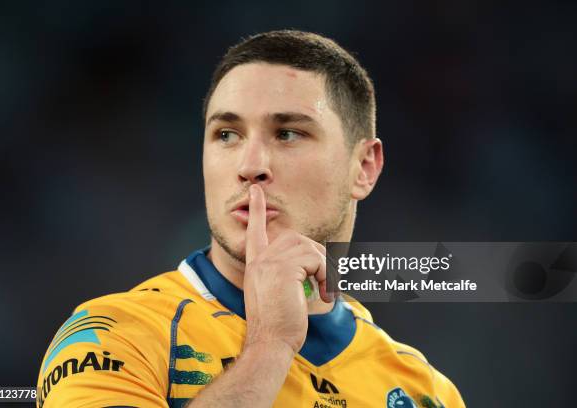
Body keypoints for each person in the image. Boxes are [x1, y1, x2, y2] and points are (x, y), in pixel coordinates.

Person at [36, 30, 465, 408]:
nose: (251, 164)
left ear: (364, 168)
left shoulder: (426, 392)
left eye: (288, 133)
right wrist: (269, 347)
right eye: (227, 134)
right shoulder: (113, 337)